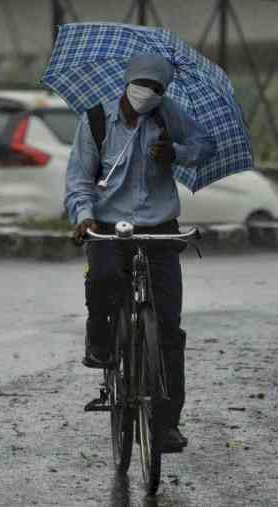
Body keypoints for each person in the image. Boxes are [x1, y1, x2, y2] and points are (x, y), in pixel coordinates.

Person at [65, 53, 216, 451]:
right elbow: (80, 179)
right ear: (127, 82)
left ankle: (166, 424)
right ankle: (99, 340)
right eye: (143, 84)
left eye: (157, 87)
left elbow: (205, 145)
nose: (148, 93)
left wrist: (176, 154)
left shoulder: (167, 116)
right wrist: (84, 216)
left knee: (168, 328)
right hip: (109, 227)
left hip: (160, 229)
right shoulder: (96, 121)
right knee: (102, 278)